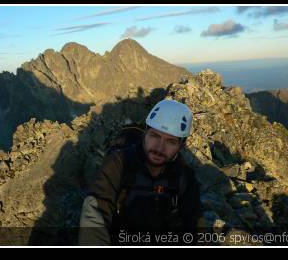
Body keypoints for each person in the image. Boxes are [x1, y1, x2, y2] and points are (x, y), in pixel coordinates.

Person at [79, 99, 202, 246]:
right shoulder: (119, 163)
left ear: (181, 145)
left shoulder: (184, 177)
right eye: (154, 136)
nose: (159, 148)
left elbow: (194, 225)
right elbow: (96, 209)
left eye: (170, 141)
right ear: (145, 133)